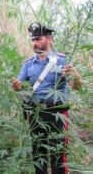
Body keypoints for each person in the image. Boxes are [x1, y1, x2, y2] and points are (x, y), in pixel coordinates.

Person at [11, 22, 82, 174]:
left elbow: (76, 86)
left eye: (39, 39)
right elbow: (20, 86)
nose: (35, 43)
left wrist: (76, 78)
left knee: (58, 155)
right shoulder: (28, 64)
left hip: (57, 113)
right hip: (36, 113)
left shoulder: (62, 60)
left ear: (49, 39)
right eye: (33, 40)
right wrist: (16, 86)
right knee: (38, 154)